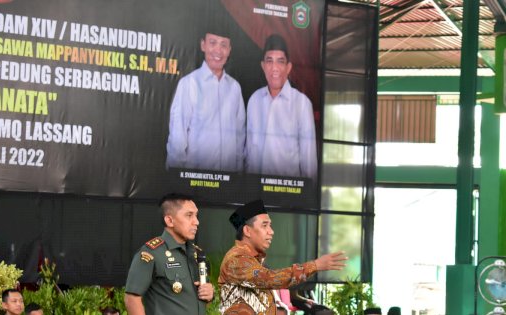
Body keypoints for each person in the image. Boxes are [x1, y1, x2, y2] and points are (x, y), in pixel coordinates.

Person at [218, 200, 347, 314]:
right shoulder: (236, 259)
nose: (271, 231)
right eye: (265, 225)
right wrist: (315, 265)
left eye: (270, 225)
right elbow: (269, 278)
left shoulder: (254, 261)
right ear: (247, 231)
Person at [165, 27, 246, 172]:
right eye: (212, 42)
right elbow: (177, 138)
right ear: (203, 45)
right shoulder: (189, 83)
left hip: (228, 182)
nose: (218, 51)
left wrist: (239, 175)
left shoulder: (234, 88)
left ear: (229, 49)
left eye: (223, 45)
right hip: (196, 181)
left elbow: (240, 136)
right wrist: (177, 179)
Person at [124, 193, 214, 315]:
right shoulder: (151, 253)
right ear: (170, 220)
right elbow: (132, 299)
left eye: (196, 216)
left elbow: (196, 301)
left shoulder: (197, 253)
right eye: (189, 215)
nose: (196, 222)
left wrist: (209, 295)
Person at [246, 34, 317, 178]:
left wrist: (307, 196)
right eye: (269, 61)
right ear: (263, 66)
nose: (274, 68)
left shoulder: (301, 104)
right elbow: (248, 153)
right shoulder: (254, 100)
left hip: (287, 194)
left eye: (280, 61)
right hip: (256, 191)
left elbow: (308, 161)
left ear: (288, 67)